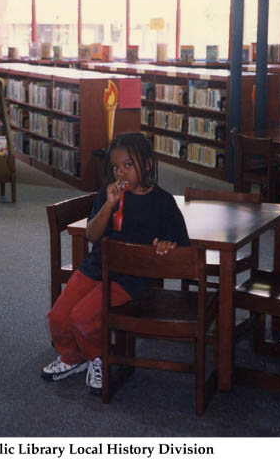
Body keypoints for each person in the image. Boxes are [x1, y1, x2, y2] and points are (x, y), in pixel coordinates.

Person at [42, 132, 190, 395]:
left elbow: (181, 246)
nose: (121, 173)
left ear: (148, 163)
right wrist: (109, 205)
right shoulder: (107, 195)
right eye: (115, 168)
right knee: (57, 318)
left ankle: (98, 358)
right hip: (95, 267)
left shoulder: (163, 202)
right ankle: (73, 358)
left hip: (130, 277)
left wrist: (168, 245)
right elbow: (91, 235)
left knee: (82, 318)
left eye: (128, 165)